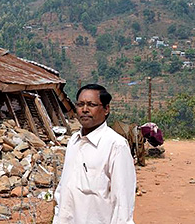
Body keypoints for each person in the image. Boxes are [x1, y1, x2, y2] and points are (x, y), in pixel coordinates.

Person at [53, 84, 136, 224]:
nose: (84, 110)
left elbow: (122, 203)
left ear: (106, 109)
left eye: (91, 105)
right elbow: (63, 189)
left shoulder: (116, 145)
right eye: (80, 104)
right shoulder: (74, 141)